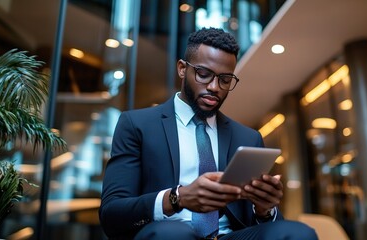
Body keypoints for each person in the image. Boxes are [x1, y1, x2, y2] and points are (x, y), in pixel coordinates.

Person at [99, 27, 317, 240]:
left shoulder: (248, 138)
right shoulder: (137, 125)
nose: (215, 87)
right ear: (182, 69)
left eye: (225, 80)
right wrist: (177, 198)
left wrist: (265, 210)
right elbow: (112, 214)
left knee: (300, 233)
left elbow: (260, 227)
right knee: (172, 234)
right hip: (169, 232)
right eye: (204, 75)